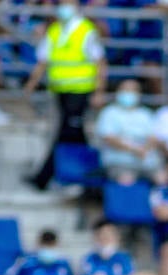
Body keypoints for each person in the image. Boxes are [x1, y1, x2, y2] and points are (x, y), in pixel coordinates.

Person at [24, 0, 106, 191]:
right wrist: (31, 83)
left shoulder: (86, 30)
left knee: (65, 131)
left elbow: (100, 62)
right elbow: (43, 60)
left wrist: (98, 91)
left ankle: (43, 177)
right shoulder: (54, 30)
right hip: (60, 90)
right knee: (74, 133)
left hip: (81, 89)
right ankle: (92, 175)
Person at [93, 79, 160, 184]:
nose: (128, 93)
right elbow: (109, 138)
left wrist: (144, 149)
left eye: (132, 90)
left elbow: (154, 137)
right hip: (118, 162)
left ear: (139, 94)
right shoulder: (109, 112)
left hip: (146, 161)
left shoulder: (146, 114)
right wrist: (134, 149)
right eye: (125, 90)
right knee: (126, 180)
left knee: (163, 178)